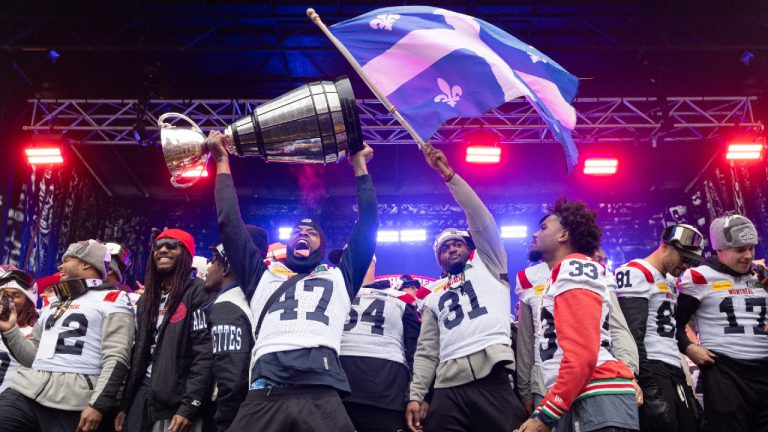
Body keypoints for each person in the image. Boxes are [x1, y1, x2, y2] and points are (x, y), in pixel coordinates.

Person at [206, 130, 378, 431]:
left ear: (322, 248)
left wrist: (359, 167)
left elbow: (368, 227)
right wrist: (222, 162)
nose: (302, 234)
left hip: (320, 389)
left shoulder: (341, 277)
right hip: (264, 390)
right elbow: (230, 226)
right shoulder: (262, 277)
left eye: (312, 233)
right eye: (297, 231)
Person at [406, 144, 527, 432]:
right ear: (439, 259)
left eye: (457, 243)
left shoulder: (490, 264)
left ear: (471, 247)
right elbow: (427, 349)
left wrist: (449, 175)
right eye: (444, 248)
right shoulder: (433, 294)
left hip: (493, 378)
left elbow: (481, 219)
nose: (451, 249)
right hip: (448, 387)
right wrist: (416, 395)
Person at [518, 198, 639, 432]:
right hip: (581, 394)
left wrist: (547, 415)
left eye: (543, 228)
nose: (535, 233)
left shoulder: (574, 267)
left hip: (597, 396)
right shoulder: (567, 270)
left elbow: (582, 355)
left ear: (564, 236)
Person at [0, 240, 135, 432]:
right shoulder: (55, 302)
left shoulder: (114, 300)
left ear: (86, 263)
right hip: (26, 391)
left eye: (67, 260)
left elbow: (117, 358)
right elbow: (32, 359)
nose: (60, 266)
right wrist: (10, 330)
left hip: (74, 401)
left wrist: (98, 405)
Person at [675, 214, 768, 432]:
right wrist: (689, 348)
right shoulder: (698, 277)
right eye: (739, 250)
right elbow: (673, 323)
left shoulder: (762, 274)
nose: (747, 256)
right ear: (719, 251)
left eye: (751, 248)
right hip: (725, 373)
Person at [118, 229, 214, 432]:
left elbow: (204, 354)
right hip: (143, 391)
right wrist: (126, 405)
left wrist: (189, 406)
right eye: (157, 246)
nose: (162, 250)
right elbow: (139, 355)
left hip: (176, 396)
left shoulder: (198, 292)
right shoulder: (148, 298)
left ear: (186, 253)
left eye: (171, 245)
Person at [614, 224, 705, 431]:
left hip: (674, 366)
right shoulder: (635, 272)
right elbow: (632, 335)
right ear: (665, 246)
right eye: (684, 257)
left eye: (691, 260)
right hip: (652, 367)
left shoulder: (670, 279)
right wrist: (648, 385)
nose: (687, 265)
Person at [337, 257, 421, 432]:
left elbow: (416, 351)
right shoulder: (332, 294)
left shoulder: (399, 299)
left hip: (385, 392)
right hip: (336, 391)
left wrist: (416, 396)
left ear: (371, 262)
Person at [204, 225, 268, 432]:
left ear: (227, 266)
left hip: (238, 417)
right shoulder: (258, 298)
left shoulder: (228, 305)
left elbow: (232, 378)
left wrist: (225, 423)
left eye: (213, 259)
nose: (208, 266)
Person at [0, 266, 38, 393]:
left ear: (28, 301)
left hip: (8, 402)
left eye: (16, 295)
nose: (9, 300)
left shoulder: (32, 333)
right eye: (4, 294)